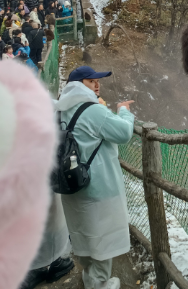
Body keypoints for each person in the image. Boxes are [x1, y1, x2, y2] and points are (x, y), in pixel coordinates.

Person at [55, 66, 135, 289]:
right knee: (102, 236)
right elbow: (123, 133)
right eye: (91, 81)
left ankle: (89, 275)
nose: (97, 84)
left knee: (81, 231)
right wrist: (123, 111)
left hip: (70, 184)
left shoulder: (59, 110)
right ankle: (99, 283)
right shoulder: (93, 110)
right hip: (98, 186)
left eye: (97, 80)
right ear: (79, 85)